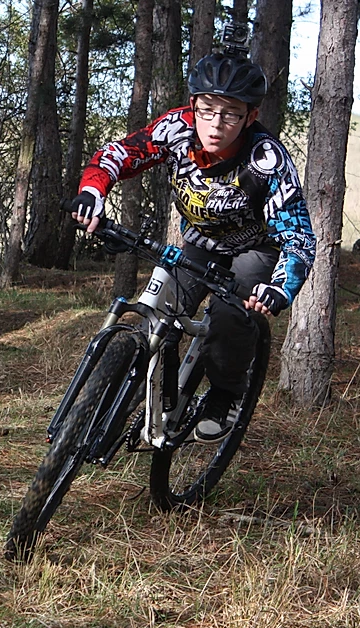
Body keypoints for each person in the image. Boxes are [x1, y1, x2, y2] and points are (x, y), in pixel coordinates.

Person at [70, 49, 316, 443]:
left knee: (229, 315)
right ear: (193, 105)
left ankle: (225, 393)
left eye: (231, 113)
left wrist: (279, 287)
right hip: (198, 244)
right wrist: (92, 191)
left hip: (255, 249)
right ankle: (142, 395)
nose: (215, 124)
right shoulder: (177, 129)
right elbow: (122, 153)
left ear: (250, 117)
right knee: (158, 313)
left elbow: (299, 237)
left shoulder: (267, 161)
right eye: (206, 109)